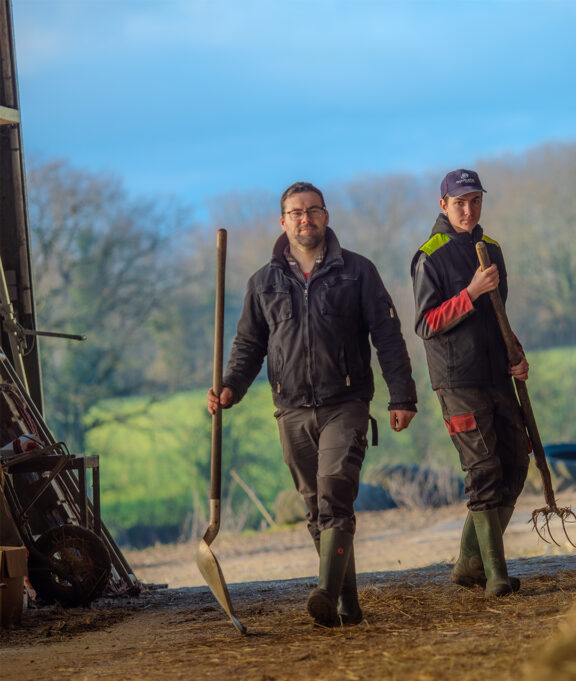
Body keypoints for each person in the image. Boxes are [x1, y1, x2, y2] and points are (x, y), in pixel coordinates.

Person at [207, 181, 417, 627]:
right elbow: (249, 344)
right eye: (296, 212)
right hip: (292, 409)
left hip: (346, 403)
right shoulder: (263, 282)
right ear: (282, 221)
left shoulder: (358, 272)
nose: (306, 218)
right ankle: (347, 602)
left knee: (335, 490)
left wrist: (402, 395)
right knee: (315, 506)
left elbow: (388, 337)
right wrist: (230, 387)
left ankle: (324, 591)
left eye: (314, 210)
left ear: (326, 216)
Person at [410, 169, 530, 597]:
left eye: (475, 200)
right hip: (457, 379)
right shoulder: (430, 255)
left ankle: (468, 563)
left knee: (516, 462)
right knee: (483, 469)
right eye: (459, 202)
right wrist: (471, 291)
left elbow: (500, 314)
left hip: (497, 373)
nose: (468, 209)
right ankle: (494, 575)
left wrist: (516, 353)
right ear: (442, 205)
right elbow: (426, 324)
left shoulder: (492, 249)